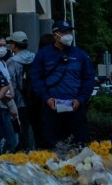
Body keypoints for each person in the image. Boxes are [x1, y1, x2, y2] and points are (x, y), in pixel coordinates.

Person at [31, 20, 96, 148]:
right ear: (55, 35)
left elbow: (89, 79)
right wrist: (47, 98)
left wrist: (81, 99)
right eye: (64, 32)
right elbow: (36, 78)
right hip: (51, 107)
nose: (68, 35)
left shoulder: (80, 55)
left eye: (69, 32)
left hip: (75, 106)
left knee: (79, 143)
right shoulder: (43, 54)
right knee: (51, 144)